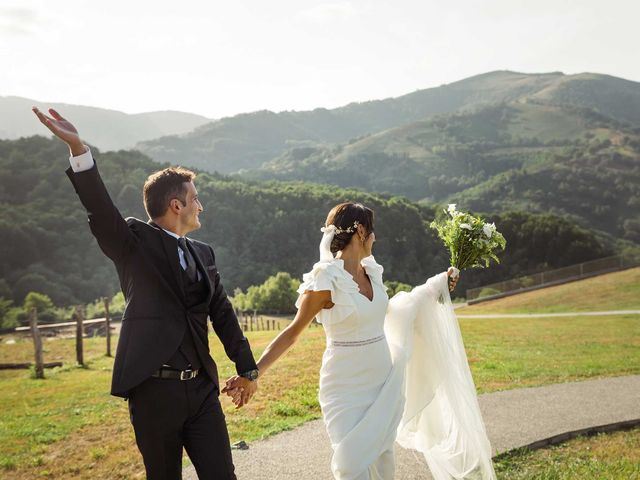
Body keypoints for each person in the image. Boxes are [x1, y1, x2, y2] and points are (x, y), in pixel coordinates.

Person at [32, 107, 260, 480]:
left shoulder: (204, 253)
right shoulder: (133, 244)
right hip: (153, 394)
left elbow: (223, 314)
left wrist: (247, 368)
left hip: (202, 390)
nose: (200, 205)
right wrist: (78, 149)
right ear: (176, 205)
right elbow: (100, 210)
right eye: (195, 198)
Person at [225, 202, 496, 480]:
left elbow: (393, 311)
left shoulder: (373, 272)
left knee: (384, 466)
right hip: (344, 389)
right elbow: (292, 333)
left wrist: (436, 286)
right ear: (362, 231)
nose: (375, 238)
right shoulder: (326, 280)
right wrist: (252, 373)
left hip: (383, 384)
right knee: (351, 467)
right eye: (373, 232)